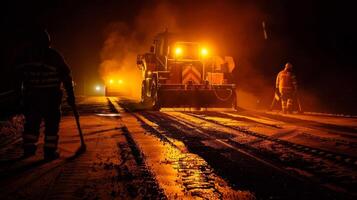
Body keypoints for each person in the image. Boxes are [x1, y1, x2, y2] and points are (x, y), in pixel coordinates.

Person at [15, 28, 75, 160]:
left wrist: (18, 96)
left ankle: (29, 150)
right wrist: (71, 95)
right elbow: (66, 76)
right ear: (48, 42)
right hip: (51, 99)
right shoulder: (54, 56)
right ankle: (49, 152)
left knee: (31, 125)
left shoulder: (26, 56)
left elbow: (17, 79)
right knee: (51, 126)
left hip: (32, 98)